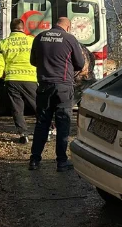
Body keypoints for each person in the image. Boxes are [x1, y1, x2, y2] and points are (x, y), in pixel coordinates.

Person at [29, 17, 86, 171]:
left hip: (44, 86)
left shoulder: (39, 37)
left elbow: (33, 61)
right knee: (63, 123)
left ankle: (34, 160)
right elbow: (80, 63)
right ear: (67, 27)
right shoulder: (69, 38)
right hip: (63, 87)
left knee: (42, 123)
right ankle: (61, 161)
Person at [0, 18, 39, 144]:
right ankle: (47, 130)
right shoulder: (32, 41)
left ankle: (23, 133)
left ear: (10, 28)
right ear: (23, 28)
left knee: (17, 108)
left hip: (12, 79)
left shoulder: (4, 43)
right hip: (30, 79)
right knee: (38, 106)